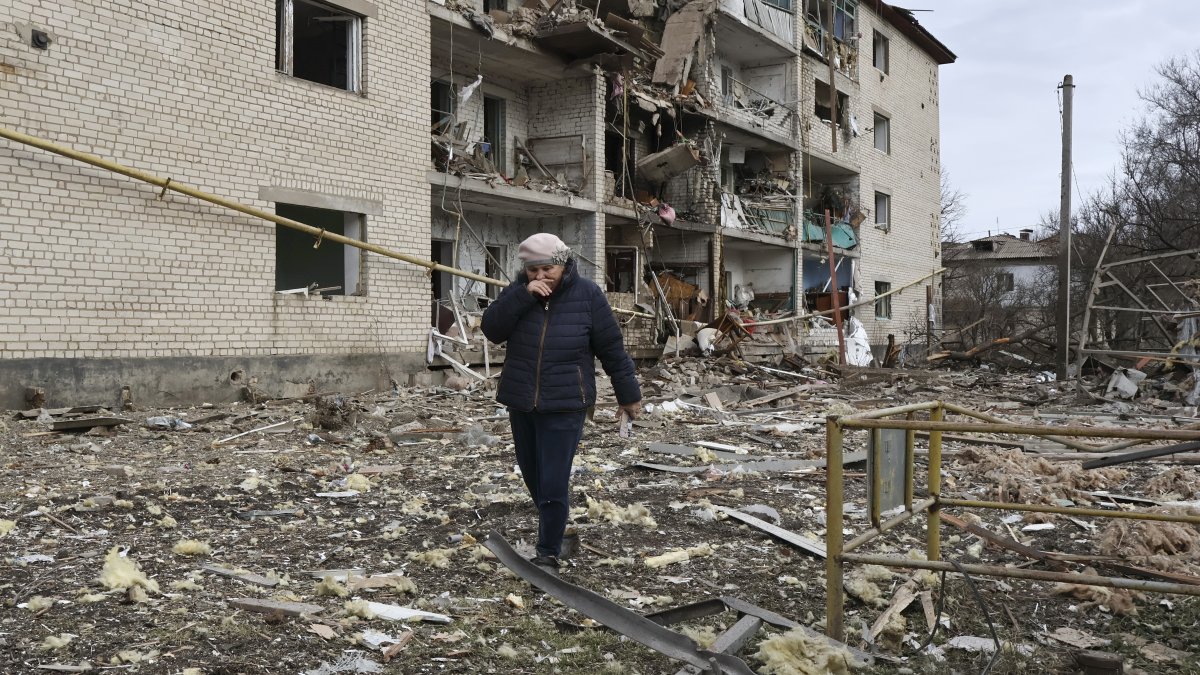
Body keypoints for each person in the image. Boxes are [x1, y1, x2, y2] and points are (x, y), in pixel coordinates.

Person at [482, 233, 642, 574]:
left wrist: (628, 396)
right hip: (522, 400)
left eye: (547, 269)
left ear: (564, 264)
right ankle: (558, 527)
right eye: (533, 270)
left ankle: (548, 553)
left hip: (567, 402)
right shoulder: (518, 292)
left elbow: (612, 349)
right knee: (532, 474)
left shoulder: (587, 296)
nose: (540, 276)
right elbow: (492, 329)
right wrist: (523, 297)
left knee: (554, 479)